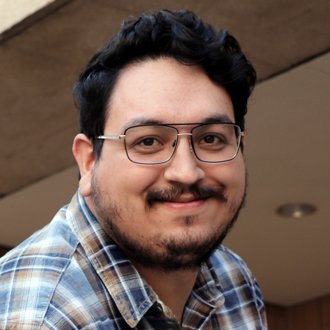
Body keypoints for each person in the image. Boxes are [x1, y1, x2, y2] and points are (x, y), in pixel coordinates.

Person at [0, 9, 267, 329]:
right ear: (89, 161)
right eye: (149, 141)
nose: (186, 172)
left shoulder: (234, 282)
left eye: (211, 138)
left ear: (240, 148)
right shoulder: (42, 318)